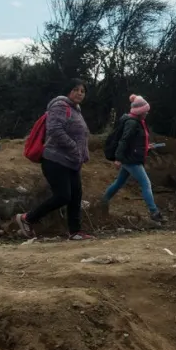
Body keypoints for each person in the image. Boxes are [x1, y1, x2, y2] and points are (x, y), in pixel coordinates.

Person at [15, 79, 94, 240]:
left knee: (76, 196)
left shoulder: (76, 110)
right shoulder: (60, 106)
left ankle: (75, 232)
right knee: (63, 196)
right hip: (55, 159)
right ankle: (27, 218)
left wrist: (83, 154)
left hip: (72, 162)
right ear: (68, 91)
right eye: (76, 89)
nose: (79, 93)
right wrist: (74, 147)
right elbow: (55, 130)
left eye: (82, 91)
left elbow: (81, 135)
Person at [101, 95, 164, 224]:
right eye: (146, 110)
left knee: (119, 183)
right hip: (131, 159)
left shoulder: (138, 122)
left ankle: (101, 203)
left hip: (131, 157)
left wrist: (147, 146)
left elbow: (135, 141)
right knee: (146, 183)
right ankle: (154, 212)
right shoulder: (132, 122)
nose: (147, 112)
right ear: (140, 111)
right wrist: (118, 158)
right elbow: (124, 140)